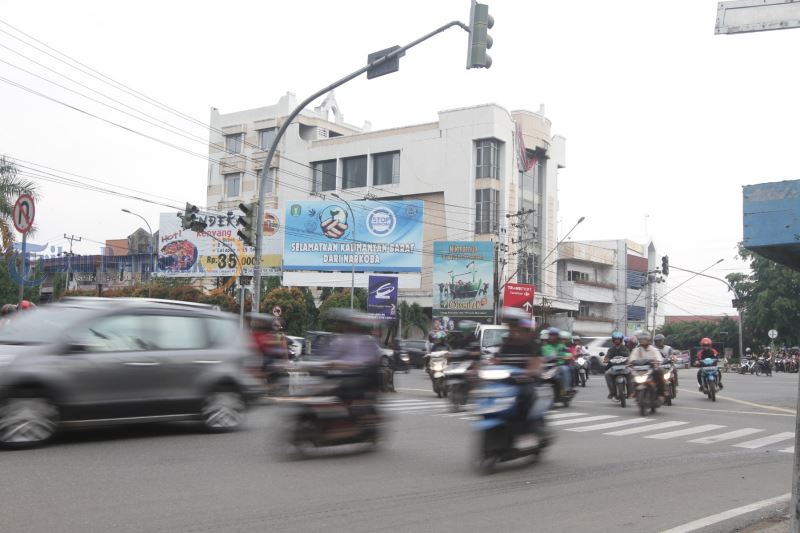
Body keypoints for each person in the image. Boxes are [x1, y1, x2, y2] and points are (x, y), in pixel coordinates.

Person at [496, 307, 541, 423]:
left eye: (515, 325)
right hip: (506, 382)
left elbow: (536, 363)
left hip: (524, 382)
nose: (513, 329)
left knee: (529, 394)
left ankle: (536, 426)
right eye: (510, 326)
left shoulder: (530, 344)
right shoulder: (505, 344)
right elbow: (497, 361)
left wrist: (529, 371)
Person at [628, 332, 665, 401]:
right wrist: (631, 362)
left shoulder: (654, 350)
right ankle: (633, 392)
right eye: (642, 340)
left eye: (645, 339)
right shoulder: (636, 350)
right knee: (629, 374)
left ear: (649, 340)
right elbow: (632, 359)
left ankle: (661, 393)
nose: (643, 341)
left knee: (660, 372)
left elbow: (659, 359)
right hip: (639, 370)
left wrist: (657, 362)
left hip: (651, 370)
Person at [603, 331, 630, 399]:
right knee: (607, 374)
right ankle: (612, 392)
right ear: (613, 340)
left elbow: (629, 355)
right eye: (615, 339)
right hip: (614, 367)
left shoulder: (625, 348)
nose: (617, 341)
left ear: (621, 340)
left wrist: (630, 359)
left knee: (631, 373)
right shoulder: (611, 349)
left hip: (624, 367)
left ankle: (630, 392)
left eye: (618, 339)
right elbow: (607, 356)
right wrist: (606, 359)